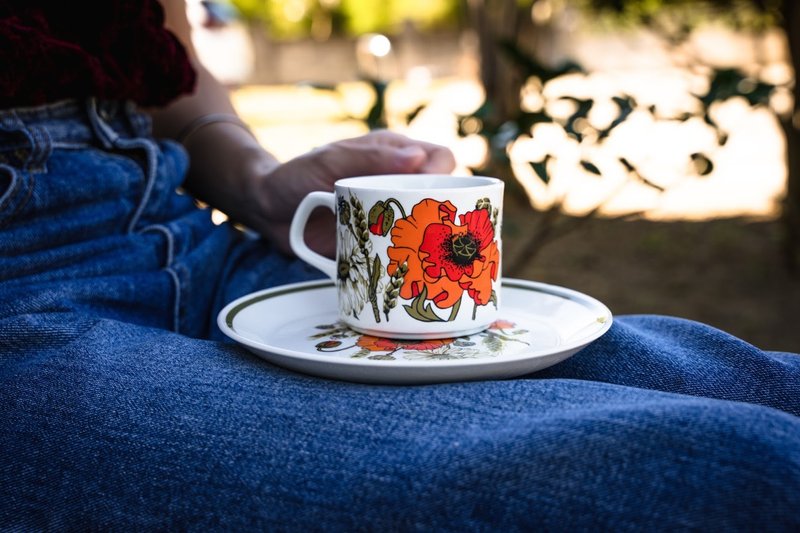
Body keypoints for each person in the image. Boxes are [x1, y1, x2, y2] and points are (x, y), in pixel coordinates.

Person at [0, 1, 798, 530]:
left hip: (185, 236)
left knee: (739, 382)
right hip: (22, 300)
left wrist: (261, 187)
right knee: (735, 468)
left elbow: (169, 76)